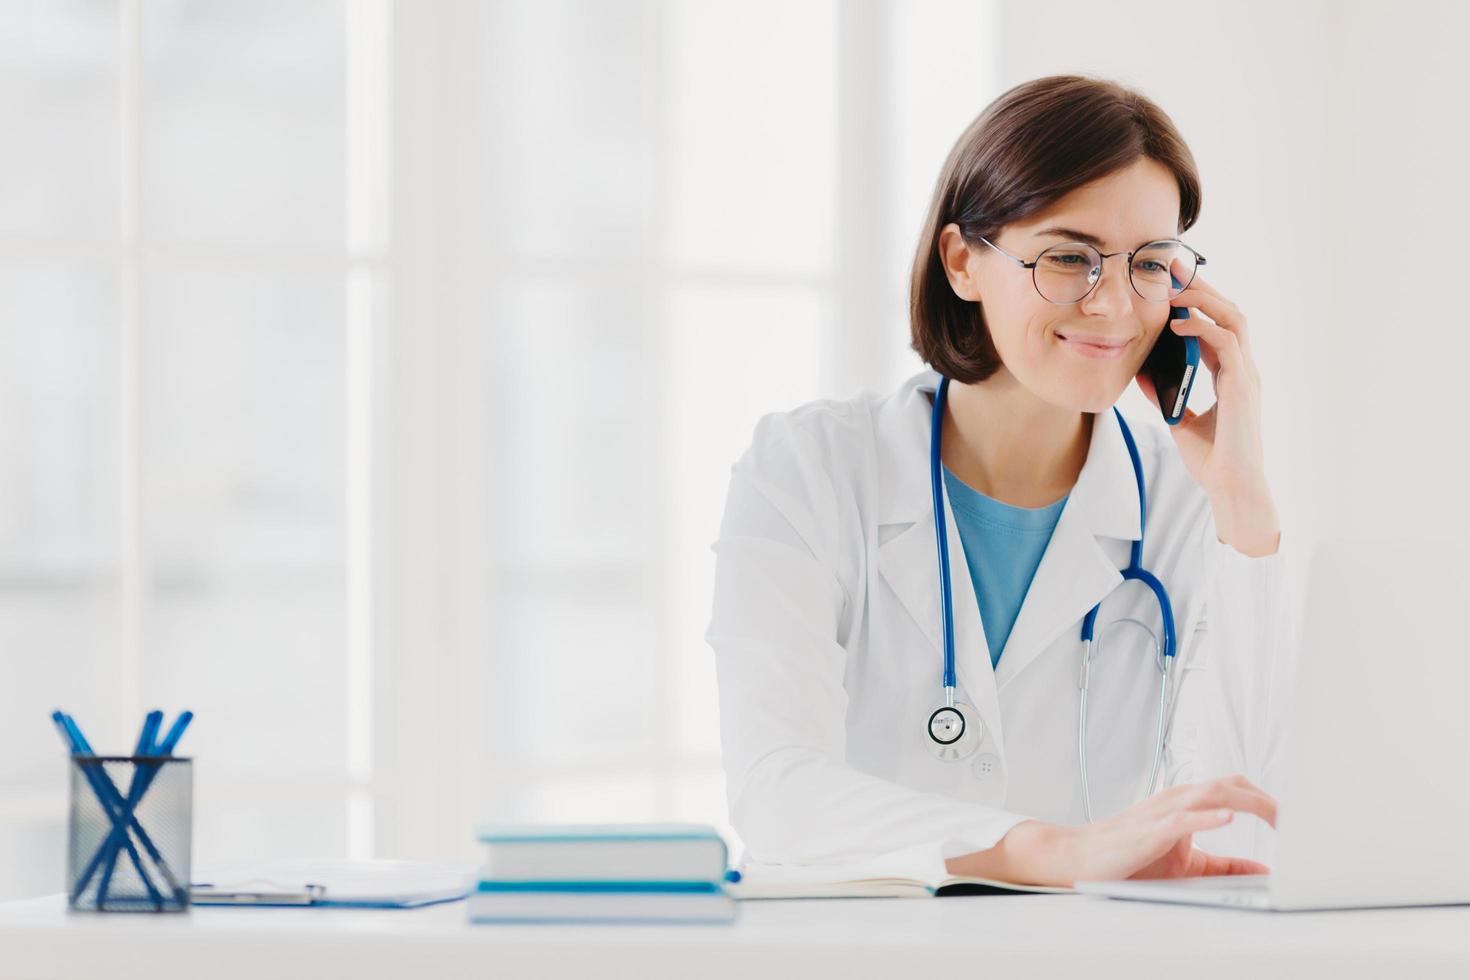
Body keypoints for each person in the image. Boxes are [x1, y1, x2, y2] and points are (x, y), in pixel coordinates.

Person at [704, 75, 1297, 887]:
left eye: (1151, 264)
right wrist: (1048, 849)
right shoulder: (808, 470)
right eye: (1068, 258)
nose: (1117, 305)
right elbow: (777, 793)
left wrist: (1242, 500)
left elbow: (1247, 824)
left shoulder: (1188, 505)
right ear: (962, 263)